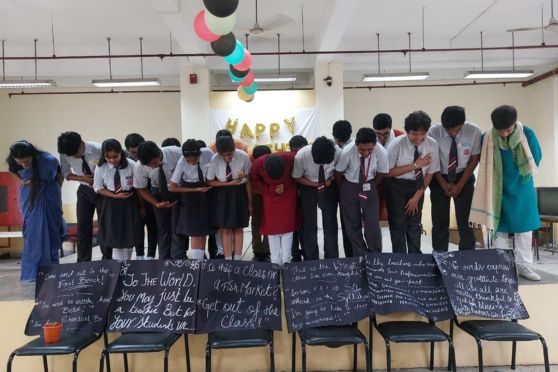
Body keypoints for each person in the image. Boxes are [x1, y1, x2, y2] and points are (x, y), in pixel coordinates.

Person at [470, 105, 542, 281]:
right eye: (499, 130)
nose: (503, 134)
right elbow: (483, 161)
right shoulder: (487, 137)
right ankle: (500, 266)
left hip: (522, 187)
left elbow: (536, 157)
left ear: (515, 124)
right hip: (497, 189)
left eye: (507, 130)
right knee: (498, 229)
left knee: (524, 230)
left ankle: (524, 267)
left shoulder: (527, 134)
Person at [7, 141, 64, 281]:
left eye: (27, 162)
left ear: (33, 155)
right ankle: (33, 273)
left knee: (51, 232)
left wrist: (54, 192)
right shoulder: (13, 162)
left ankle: (51, 271)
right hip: (30, 196)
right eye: (20, 162)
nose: (23, 165)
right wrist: (22, 181)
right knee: (33, 233)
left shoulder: (47, 161)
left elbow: (59, 176)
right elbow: (13, 171)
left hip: (49, 195)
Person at [385, 111, 440, 254]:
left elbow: (430, 173)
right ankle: (400, 259)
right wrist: (416, 165)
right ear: (407, 131)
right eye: (415, 134)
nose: (419, 138)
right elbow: (388, 172)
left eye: (423, 133)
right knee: (398, 224)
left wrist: (417, 197)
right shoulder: (396, 144)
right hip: (396, 185)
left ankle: (415, 260)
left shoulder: (432, 144)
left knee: (414, 224)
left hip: (418, 186)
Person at [429, 106, 481, 252]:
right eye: (448, 130)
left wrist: (460, 185)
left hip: (464, 175)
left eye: (457, 130)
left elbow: (474, 159)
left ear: (463, 124)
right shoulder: (433, 132)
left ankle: (467, 258)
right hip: (439, 175)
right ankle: (440, 257)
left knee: (465, 221)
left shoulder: (474, 131)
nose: (453, 133)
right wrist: (443, 183)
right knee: (440, 221)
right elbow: (432, 160)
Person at [335, 128, 389, 256]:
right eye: (362, 149)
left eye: (369, 149)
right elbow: (338, 172)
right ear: (356, 145)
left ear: (375, 145)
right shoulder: (347, 151)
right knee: (352, 224)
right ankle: (360, 254)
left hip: (370, 184)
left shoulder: (381, 152)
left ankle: (374, 254)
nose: (365, 153)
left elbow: (382, 172)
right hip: (350, 185)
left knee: (372, 223)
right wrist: (344, 188)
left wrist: (373, 185)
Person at [57, 131, 110, 260]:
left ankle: (107, 260)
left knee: (105, 226)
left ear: (81, 143)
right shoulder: (64, 152)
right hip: (84, 191)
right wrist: (82, 178)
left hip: (103, 191)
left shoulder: (99, 149)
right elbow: (66, 174)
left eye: (77, 154)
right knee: (83, 227)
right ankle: (83, 263)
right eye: (72, 156)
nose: (74, 157)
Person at [133, 141, 187, 259]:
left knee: (177, 227)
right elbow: (141, 188)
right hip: (157, 192)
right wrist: (156, 203)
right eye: (149, 166)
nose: (152, 167)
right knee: (162, 229)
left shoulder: (176, 153)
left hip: (177, 190)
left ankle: (178, 257)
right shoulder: (139, 166)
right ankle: (164, 259)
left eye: (154, 163)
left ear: (159, 153)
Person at [292, 136, 341, 260]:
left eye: (325, 162)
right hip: (308, 185)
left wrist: (330, 181)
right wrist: (316, 184)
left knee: (330, 222)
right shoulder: (301, 155)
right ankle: (311, 258)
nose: (323, 164)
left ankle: (332, 258)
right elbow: (297, 177)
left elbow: (339, 172)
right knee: (309, 223)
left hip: (329, 185)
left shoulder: (338, 152)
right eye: (319, 162)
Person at [93, 139, 142, 261]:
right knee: (113, 233)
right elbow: (98, 188)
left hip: (129, 200)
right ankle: (118, 263)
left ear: (121, 152)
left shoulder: (132, 165)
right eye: (108, 157)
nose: (112, 160)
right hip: (110, 200)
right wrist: (115, 196)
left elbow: (140, 188)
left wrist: (142, 207)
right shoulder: (101, 167)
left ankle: (127, 262)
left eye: (115, 156)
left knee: (128, 233)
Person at [206, 136, 252, 260]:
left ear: (234, 149)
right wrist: (227, 184)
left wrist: (250, 202)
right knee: (225, 228)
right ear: (219, 153)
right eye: (224, 155)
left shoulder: (243, 156)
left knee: (238, 227)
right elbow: (210, 181)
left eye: (230, 154)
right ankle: (227, 259)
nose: (228, 158)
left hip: (239, 193)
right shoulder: (214, 159)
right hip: (222, 194)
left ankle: (237, 259)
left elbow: (247, 179)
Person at [169, 139, 215, 261]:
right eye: (189, 160)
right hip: (190, 193)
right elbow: (172, 187)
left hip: (206, 189)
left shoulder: (208, 153)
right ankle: (196, 261)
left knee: (204, 228)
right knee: (195, 230)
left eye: (195, 159)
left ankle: (201, 258)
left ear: (200, 153)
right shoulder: (181, 162)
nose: (192, 162)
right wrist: (194, 191)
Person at [251, 151, 298, 266]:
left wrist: (285, 184)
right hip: (270, 196)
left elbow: (297, 174)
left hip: (288, 194)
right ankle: (275, 261)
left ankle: (287, 260)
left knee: (288, 229)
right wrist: (270, 189)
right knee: (272, 230)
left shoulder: (290, 157)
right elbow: (256, 180)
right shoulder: (257, 164)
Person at [124, 132, 157, 259]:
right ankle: (139, 256)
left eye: (137, 152)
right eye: (132, 152)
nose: (136, 155)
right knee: (137, 227)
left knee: (152, 226)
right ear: (127, 150)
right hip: (134, 198)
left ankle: (151, 256)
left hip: (150, 195)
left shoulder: (150, 157)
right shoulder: (126, 162)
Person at [373, 113, 405, 222]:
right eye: (378, 134)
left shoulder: (400, 136)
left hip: (395, 182)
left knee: (394, 215)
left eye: (385, 133)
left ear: (391, 128)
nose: (382, 137)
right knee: (373, 216)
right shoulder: (370, 138)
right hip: (375, 181)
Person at [332, 119, 354, 258]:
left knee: (350, 223)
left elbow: (339, 172)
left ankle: (352, 255)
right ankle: (348, 254)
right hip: (336, 186)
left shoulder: (353, 146)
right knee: (343, 222)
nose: (338, 142)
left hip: (348, 186)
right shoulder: (332, 146)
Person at [288, 135, 309, 262]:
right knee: (291, 228)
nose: (298, 154)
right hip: (290, 200)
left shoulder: (309, 158)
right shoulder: (288, 161)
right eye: (295, 151)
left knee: (305, 226)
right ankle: (295, 254)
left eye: (300, 150)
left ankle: (307, 253)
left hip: (305, 197)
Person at [250, 145, 272, 262]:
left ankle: (267, 251)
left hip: (269, 196)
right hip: (256, 195)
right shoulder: (250, 164)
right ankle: (257, 251)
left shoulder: (272, 162)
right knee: (255, 223)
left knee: (268, 222)